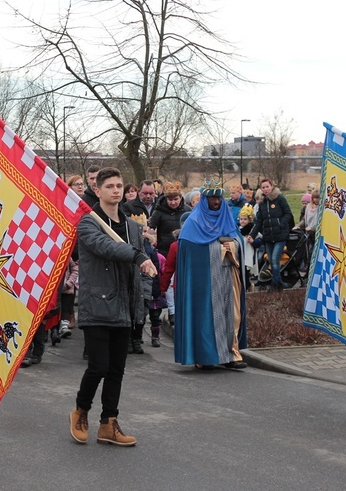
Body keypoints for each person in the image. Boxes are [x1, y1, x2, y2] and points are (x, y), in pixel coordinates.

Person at [68, 167, 156, 447]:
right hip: (97, 304)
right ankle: (81, 411)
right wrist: (138, 255)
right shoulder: (88, 222)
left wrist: (140, 295)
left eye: (119, 185)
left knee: (117, 368)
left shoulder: (131, 225)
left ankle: (109, 423)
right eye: (110, 186)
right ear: (98, 190)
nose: (116, 190)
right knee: (98, 366)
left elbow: (135, 265)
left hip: (124, 306)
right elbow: (106, 247)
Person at [173, 180, 247, 370]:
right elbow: (190, 249)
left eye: (219, 197)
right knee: (205, 315)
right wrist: (217, 248)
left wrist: (232, 246)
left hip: (228, 276)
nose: (216, 201)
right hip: (203, 281)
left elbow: (237, 240)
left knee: (231, 315)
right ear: (205, 199)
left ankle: (231, 354)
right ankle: (205, 356)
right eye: (212, 197)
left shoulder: (226, 216)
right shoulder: (193, 222)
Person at [246, 178, 293, 291]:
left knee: (275, 259)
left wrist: (281, 224)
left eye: (267, 186)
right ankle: (280, 283)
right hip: (268, 235)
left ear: (271, 186)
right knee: (271, 260)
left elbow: (288, 213)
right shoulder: (262, 203)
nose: (266, 189)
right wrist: (252, 235)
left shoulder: (279, 198)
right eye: (263, 187)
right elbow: (259, 222)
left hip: (280, 235)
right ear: (261, 189)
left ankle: (274, 285)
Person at [148, 181, 189, 257]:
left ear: (180, 198)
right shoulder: (158, 211)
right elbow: (151, 228)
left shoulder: (187, 210)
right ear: (166, 199)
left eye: (176, 199)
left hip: (184, 248)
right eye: (170, 200)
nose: (173, 203)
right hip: (164, 250)